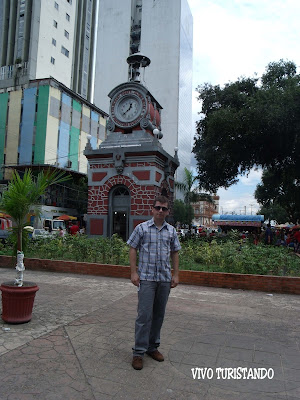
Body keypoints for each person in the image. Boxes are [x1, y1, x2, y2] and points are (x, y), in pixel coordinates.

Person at [127, 195, 181, 371]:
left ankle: (152, 347)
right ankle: (138, 352)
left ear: (167, 211)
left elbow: (175, 252)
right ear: (152, 209)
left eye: (164, 209)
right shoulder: (141, 228)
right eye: (158, 208)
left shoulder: (171, 231)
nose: (160, 211)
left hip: (164, 279)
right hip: (147, 279)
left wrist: (176, 274)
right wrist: (134, 272)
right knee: (144, 316)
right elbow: (132, 248)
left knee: (158, 315)